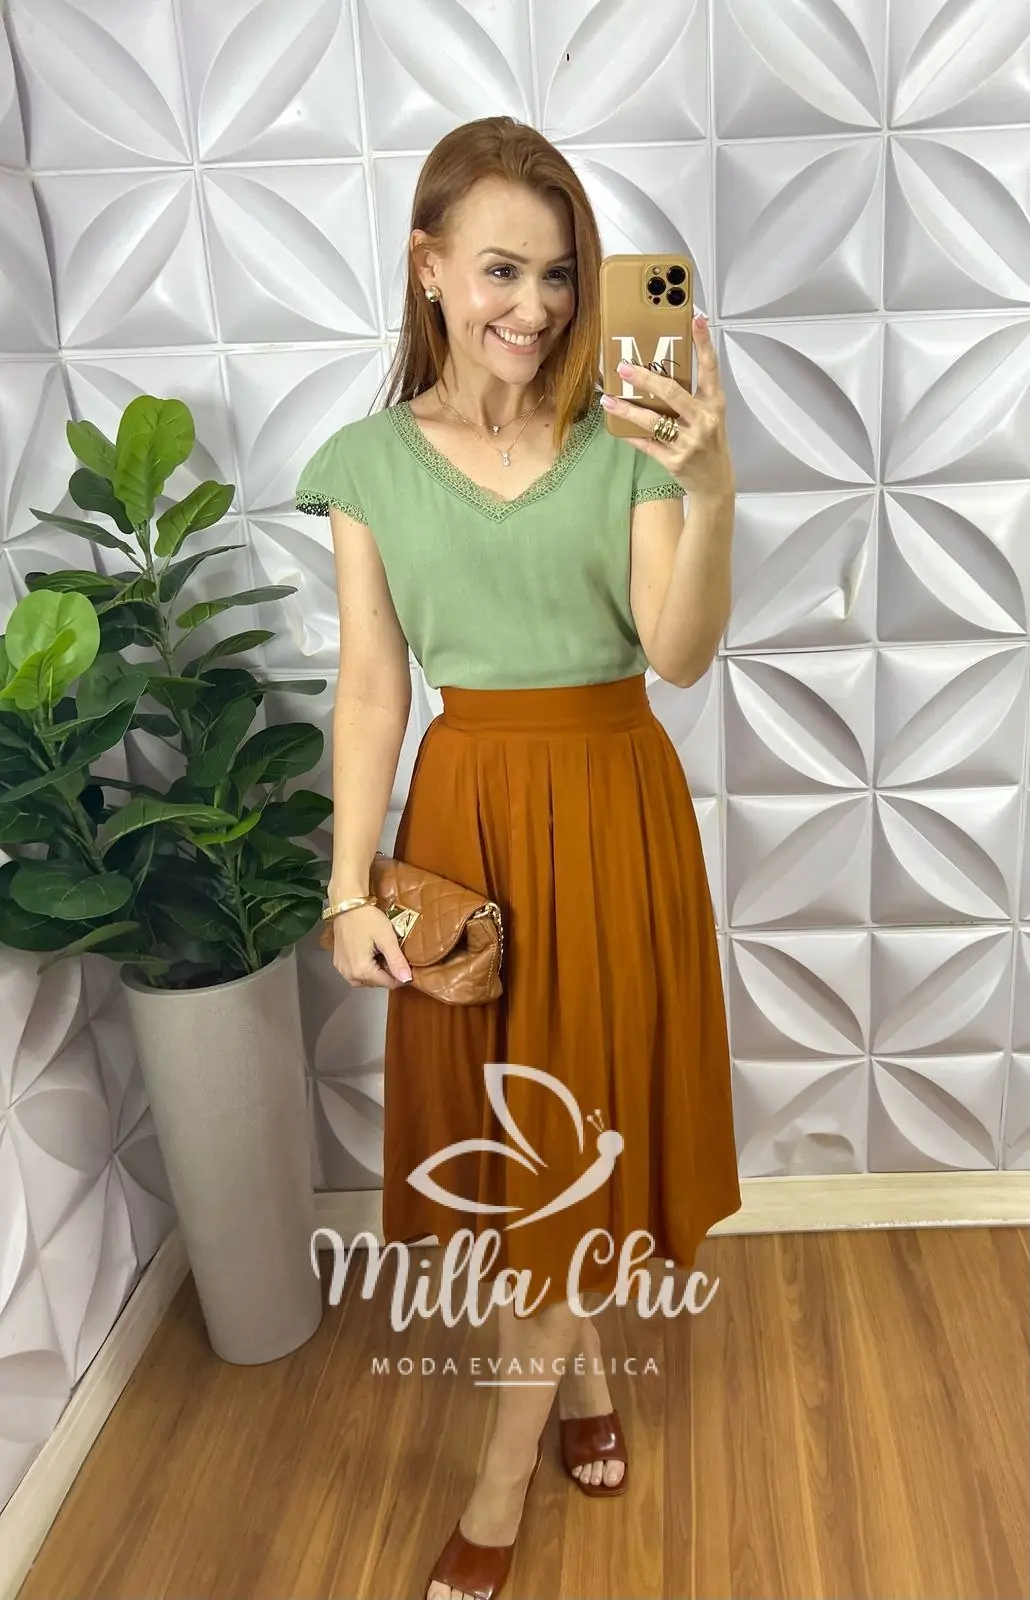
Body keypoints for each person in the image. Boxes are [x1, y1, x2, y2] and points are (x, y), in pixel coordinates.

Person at [296, 115, 742, 1600]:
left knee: (578, 1132)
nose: (536, 307)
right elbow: (373, 687)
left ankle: (496, 1489)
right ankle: (587, 1383)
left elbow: (677, 655)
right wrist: (347, 886)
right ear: (429, 267)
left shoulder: (630, 441)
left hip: (615, 813)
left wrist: (713, 488)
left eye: (560, 274)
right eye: (501, 269)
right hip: (467, 825)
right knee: (514, 1169)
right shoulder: (366, 463)